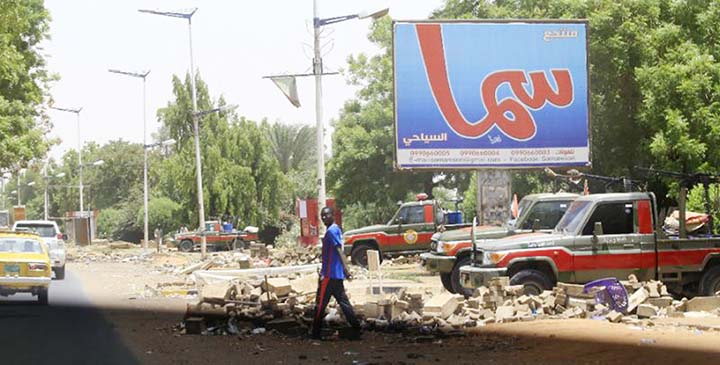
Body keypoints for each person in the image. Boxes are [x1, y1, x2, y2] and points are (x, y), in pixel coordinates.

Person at [311, 206, 361, 340]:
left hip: (329, 275)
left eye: (326, 215)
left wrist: (347, 269)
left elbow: (339, 251)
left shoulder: (331, 232)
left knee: (320, 304)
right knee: (344, 303)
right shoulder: (336, 229)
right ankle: (357, 329)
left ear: (333, 215)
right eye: (322, 216)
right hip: (336, 275)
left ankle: (315, 333)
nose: (324, 218)